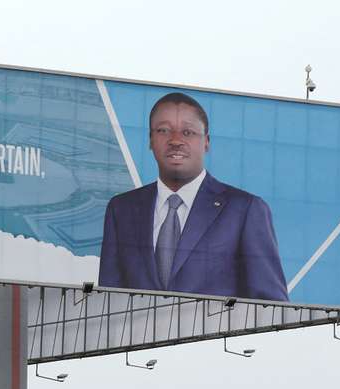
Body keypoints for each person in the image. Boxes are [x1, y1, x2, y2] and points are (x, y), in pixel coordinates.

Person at [97, 91, 288, 302]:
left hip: (217, 336)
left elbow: (270, 306)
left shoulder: (245, 209)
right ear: (151, 140)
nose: (176, 140)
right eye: (164, 130)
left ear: (206, 142)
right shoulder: (121, 210)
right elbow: (108, 301)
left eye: (188, 132)